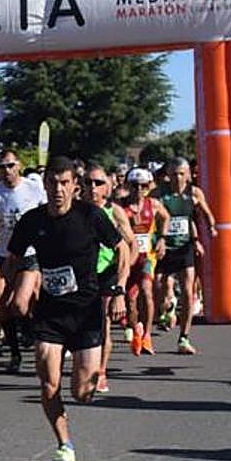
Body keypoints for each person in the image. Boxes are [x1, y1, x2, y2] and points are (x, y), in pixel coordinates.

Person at [5, 158, 128, 461]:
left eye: (64, 183)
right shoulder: (32, 220)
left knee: (82, 393)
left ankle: (89, 375)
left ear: (75, 185)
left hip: (86, 312)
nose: (58, 189)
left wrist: (118, 288)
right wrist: (10, 287)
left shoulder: (91, 215)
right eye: (52, 183)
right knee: (48, 383)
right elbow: (13, 257)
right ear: (44, 185)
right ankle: (65, 445)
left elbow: (122, 248)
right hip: (51, 313)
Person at [0, 149, 45, 372]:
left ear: (19, 166)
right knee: (4, 307)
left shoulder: (33, 188)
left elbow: (47, 214)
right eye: (2, 167)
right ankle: (15, 354)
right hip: (3, 254)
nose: (7, 171)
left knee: (20, 304)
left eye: (10, 165)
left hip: (30, 253)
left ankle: (29, 329)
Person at [153, 158, 215, 353]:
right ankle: (167, 307)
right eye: (173, 174)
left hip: (184, 246)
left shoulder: (194, 192)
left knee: (188, 290)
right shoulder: (158, 193)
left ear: (188, 175)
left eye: (181, 174)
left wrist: (211, 228)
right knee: (160, 286)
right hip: (164, 246)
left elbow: (204, 213)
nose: (177, 178)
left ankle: (184, 337)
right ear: (167, 175)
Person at [83, 165, 136, 392]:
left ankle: (101, 371)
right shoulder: (75, 210)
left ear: (108, 187)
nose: (93, 187)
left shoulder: (114, 211)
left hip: (107, 273)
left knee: (103, 323)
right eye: (88, 182)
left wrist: (123, 275)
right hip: (83, 275)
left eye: (98, 183)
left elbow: (131, 244)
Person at [121, 169, 162, 356]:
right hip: (128, 259)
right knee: (130, 301)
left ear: (149, 186)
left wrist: (162, 239)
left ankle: (147, 335)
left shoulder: (153, 204)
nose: (139, 189)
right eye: (135, 186)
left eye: (144, 186)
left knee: (147, 292)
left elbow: (166, 217)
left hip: (146, 258)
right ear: (128, 186)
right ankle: (135, 329)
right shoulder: (121, 207)